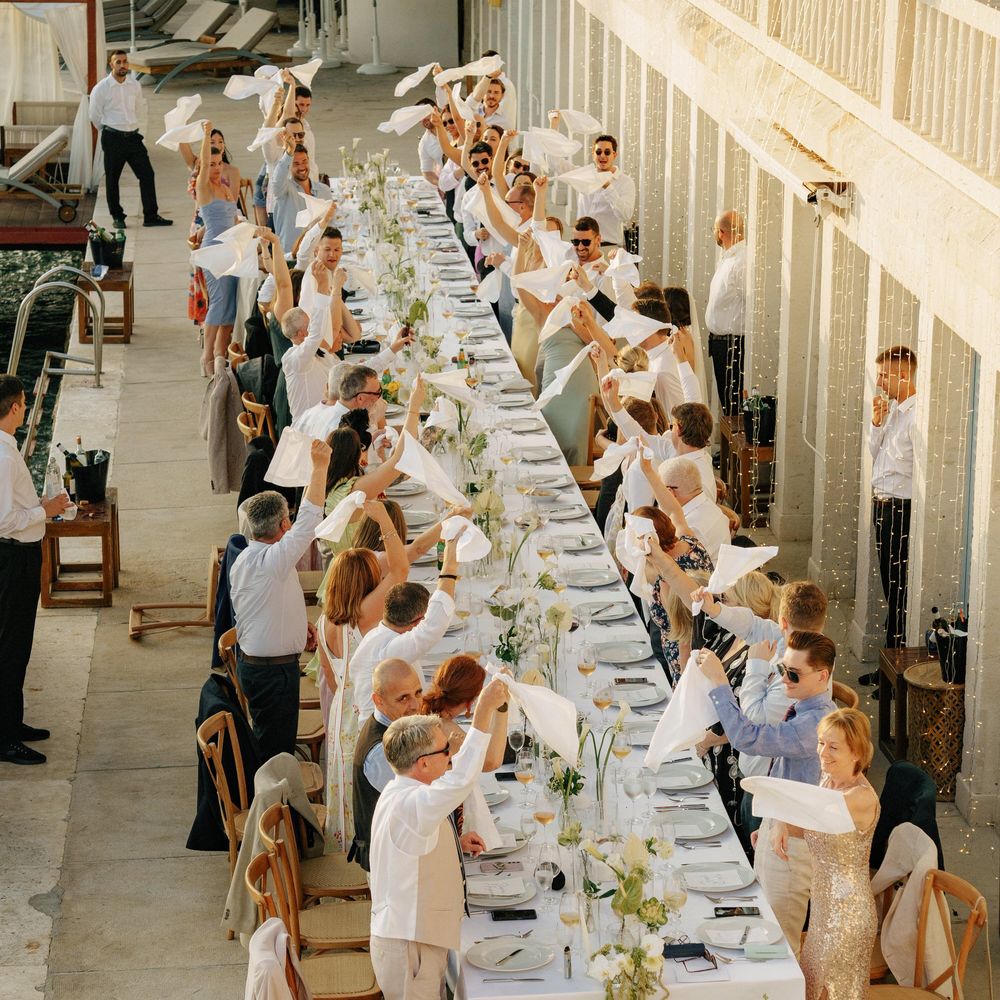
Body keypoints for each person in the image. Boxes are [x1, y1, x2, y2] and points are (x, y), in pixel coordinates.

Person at [368, 677, 509, 1000]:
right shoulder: (412, 803)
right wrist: (484, 711)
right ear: (424, 763)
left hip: (416, 937)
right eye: (445, 750)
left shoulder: (404, 791)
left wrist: (452, 845)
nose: (451, 755)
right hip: (410, 946)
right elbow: (460, 780)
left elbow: (411, 846)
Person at [698, 630, 837, 956]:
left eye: (793, 674)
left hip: (794, 846)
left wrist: (720, 684)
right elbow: (786, 775)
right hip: (780, 831)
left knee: (780, 943)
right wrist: (771, 820)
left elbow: (747, 737)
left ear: (823, 676)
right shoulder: (803, 708)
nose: (784, 681)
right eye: (781, 670)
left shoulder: (814, 723)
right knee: (763, 927)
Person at [313, 503, 409, 852]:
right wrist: (384, 520)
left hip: (341, 712)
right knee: (370, 786)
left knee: (345, 783)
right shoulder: (361, 618)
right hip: (362, 714)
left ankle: (345, 849)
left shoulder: (325, 622)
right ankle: (372, 851)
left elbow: (328, 674)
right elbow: (400, 569)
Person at [229, 438, 330, 762]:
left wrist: (301, 629)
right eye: (290, 519)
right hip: (272, 676)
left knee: (275, 747)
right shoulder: (271, 561)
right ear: (283, 524)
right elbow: (310, 523)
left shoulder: (250, 558)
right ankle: (274, 809)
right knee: (276, 755)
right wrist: (320, 468)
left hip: (264, 667)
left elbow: (269, 607)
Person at [778, 708, 879, 999]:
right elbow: (808, 828)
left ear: (857, 753)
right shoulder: (829, 780)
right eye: (822, 742)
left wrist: (779, 823)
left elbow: (807, 820)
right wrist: (780, 827)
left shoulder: (857, 797)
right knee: (811, 986)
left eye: (833, 747)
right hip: (823, 908)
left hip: (847, 914)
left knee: (831, 992)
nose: (823, 752)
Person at [0, 377, 71, 765]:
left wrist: (39, 505)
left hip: (19, 556)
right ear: (13, 408)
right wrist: (45, 510)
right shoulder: (4, 456)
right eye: (24, 403)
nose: (26, 409)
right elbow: (4, 520)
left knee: (18, 644)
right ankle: (5, 736)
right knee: (10, 647)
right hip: (13, 559)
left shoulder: (7, 451)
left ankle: (14, 722)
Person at [349, 537, 462, 719]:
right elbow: (435, 624)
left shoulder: (378, 636)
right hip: (387, 734)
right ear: (418, 621)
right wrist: (450, 563)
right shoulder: (390, 650)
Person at [349, 658, 424, 871]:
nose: (415, 705)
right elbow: (416, 808)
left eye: (418, 693)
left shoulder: (397, 727)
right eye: (403, 698)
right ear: (378, 700)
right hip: (388, 865)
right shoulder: (380, 752)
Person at [867, 344, 916, 656]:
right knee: (889, 586)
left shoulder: (914, 417)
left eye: (884, 375)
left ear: (902, 375)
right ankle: (887, 658)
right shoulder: (892, 412)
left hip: (899, 510)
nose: (880, 381)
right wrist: (876, 423)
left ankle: (895, 663)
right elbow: (877, 457)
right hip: (882, 505)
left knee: (898, 589)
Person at [88, 50, 172, 229]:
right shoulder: (101, 88)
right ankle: (117, 216)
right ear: (111, 65)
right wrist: (108, 129)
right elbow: (94, 115)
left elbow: (139, 109)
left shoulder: (134, 85)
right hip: (113, 137)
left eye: (125, 61)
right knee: (112, 179)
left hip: (133, 138)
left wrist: (133, 126)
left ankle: (150, 216)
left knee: (147, 175)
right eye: (118, 62)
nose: (122, 65)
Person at [194, 122, 241, 376]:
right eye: (210, 164)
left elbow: (232, 219)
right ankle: (207, 355)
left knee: (230, 304)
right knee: (219, 301)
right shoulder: (205, 187)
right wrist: (205, 135)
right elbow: (203, 160)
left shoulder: (224, 186)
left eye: (218, 163)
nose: (215, 167)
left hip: (231, 248)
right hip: (214, 249)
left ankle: (221, 353)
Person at [421, 655, 509, 771]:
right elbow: (490, 762)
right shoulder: (442, 726)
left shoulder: (431, 710)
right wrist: (503, 704)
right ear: (470, 702)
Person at [554, 128, 635, 247]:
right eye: (598, 152)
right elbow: (555, 162)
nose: (602, 155)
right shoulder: (584, 174)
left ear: (614, 155)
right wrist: (554, 125)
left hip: (608, 247)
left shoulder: (626, 182)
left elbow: (625, 215)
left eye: (607, 152)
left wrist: (608, 187)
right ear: (593, 155)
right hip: (581, 246)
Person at [705, 210, 746, 416]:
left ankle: (733, 446)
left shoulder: (741, 260)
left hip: (733, 344)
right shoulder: (730, 257)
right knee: (727, 403)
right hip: (722, 343)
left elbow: (750, 300)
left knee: (733, 405)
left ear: (720, 232)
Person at [657, 456, 730, 561]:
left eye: (659, 490)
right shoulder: (705, 503)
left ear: (670, 492)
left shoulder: (689, 527)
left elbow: (670, 565)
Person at [270, 139, 332, 255]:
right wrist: (289, 153)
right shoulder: (283, 190)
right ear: (289, 166)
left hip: (321, 256)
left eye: (304, 161)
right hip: (292, 257)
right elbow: (277, 179)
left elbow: (332, 223)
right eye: (296, 163)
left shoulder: (324, 190)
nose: (302, 167)